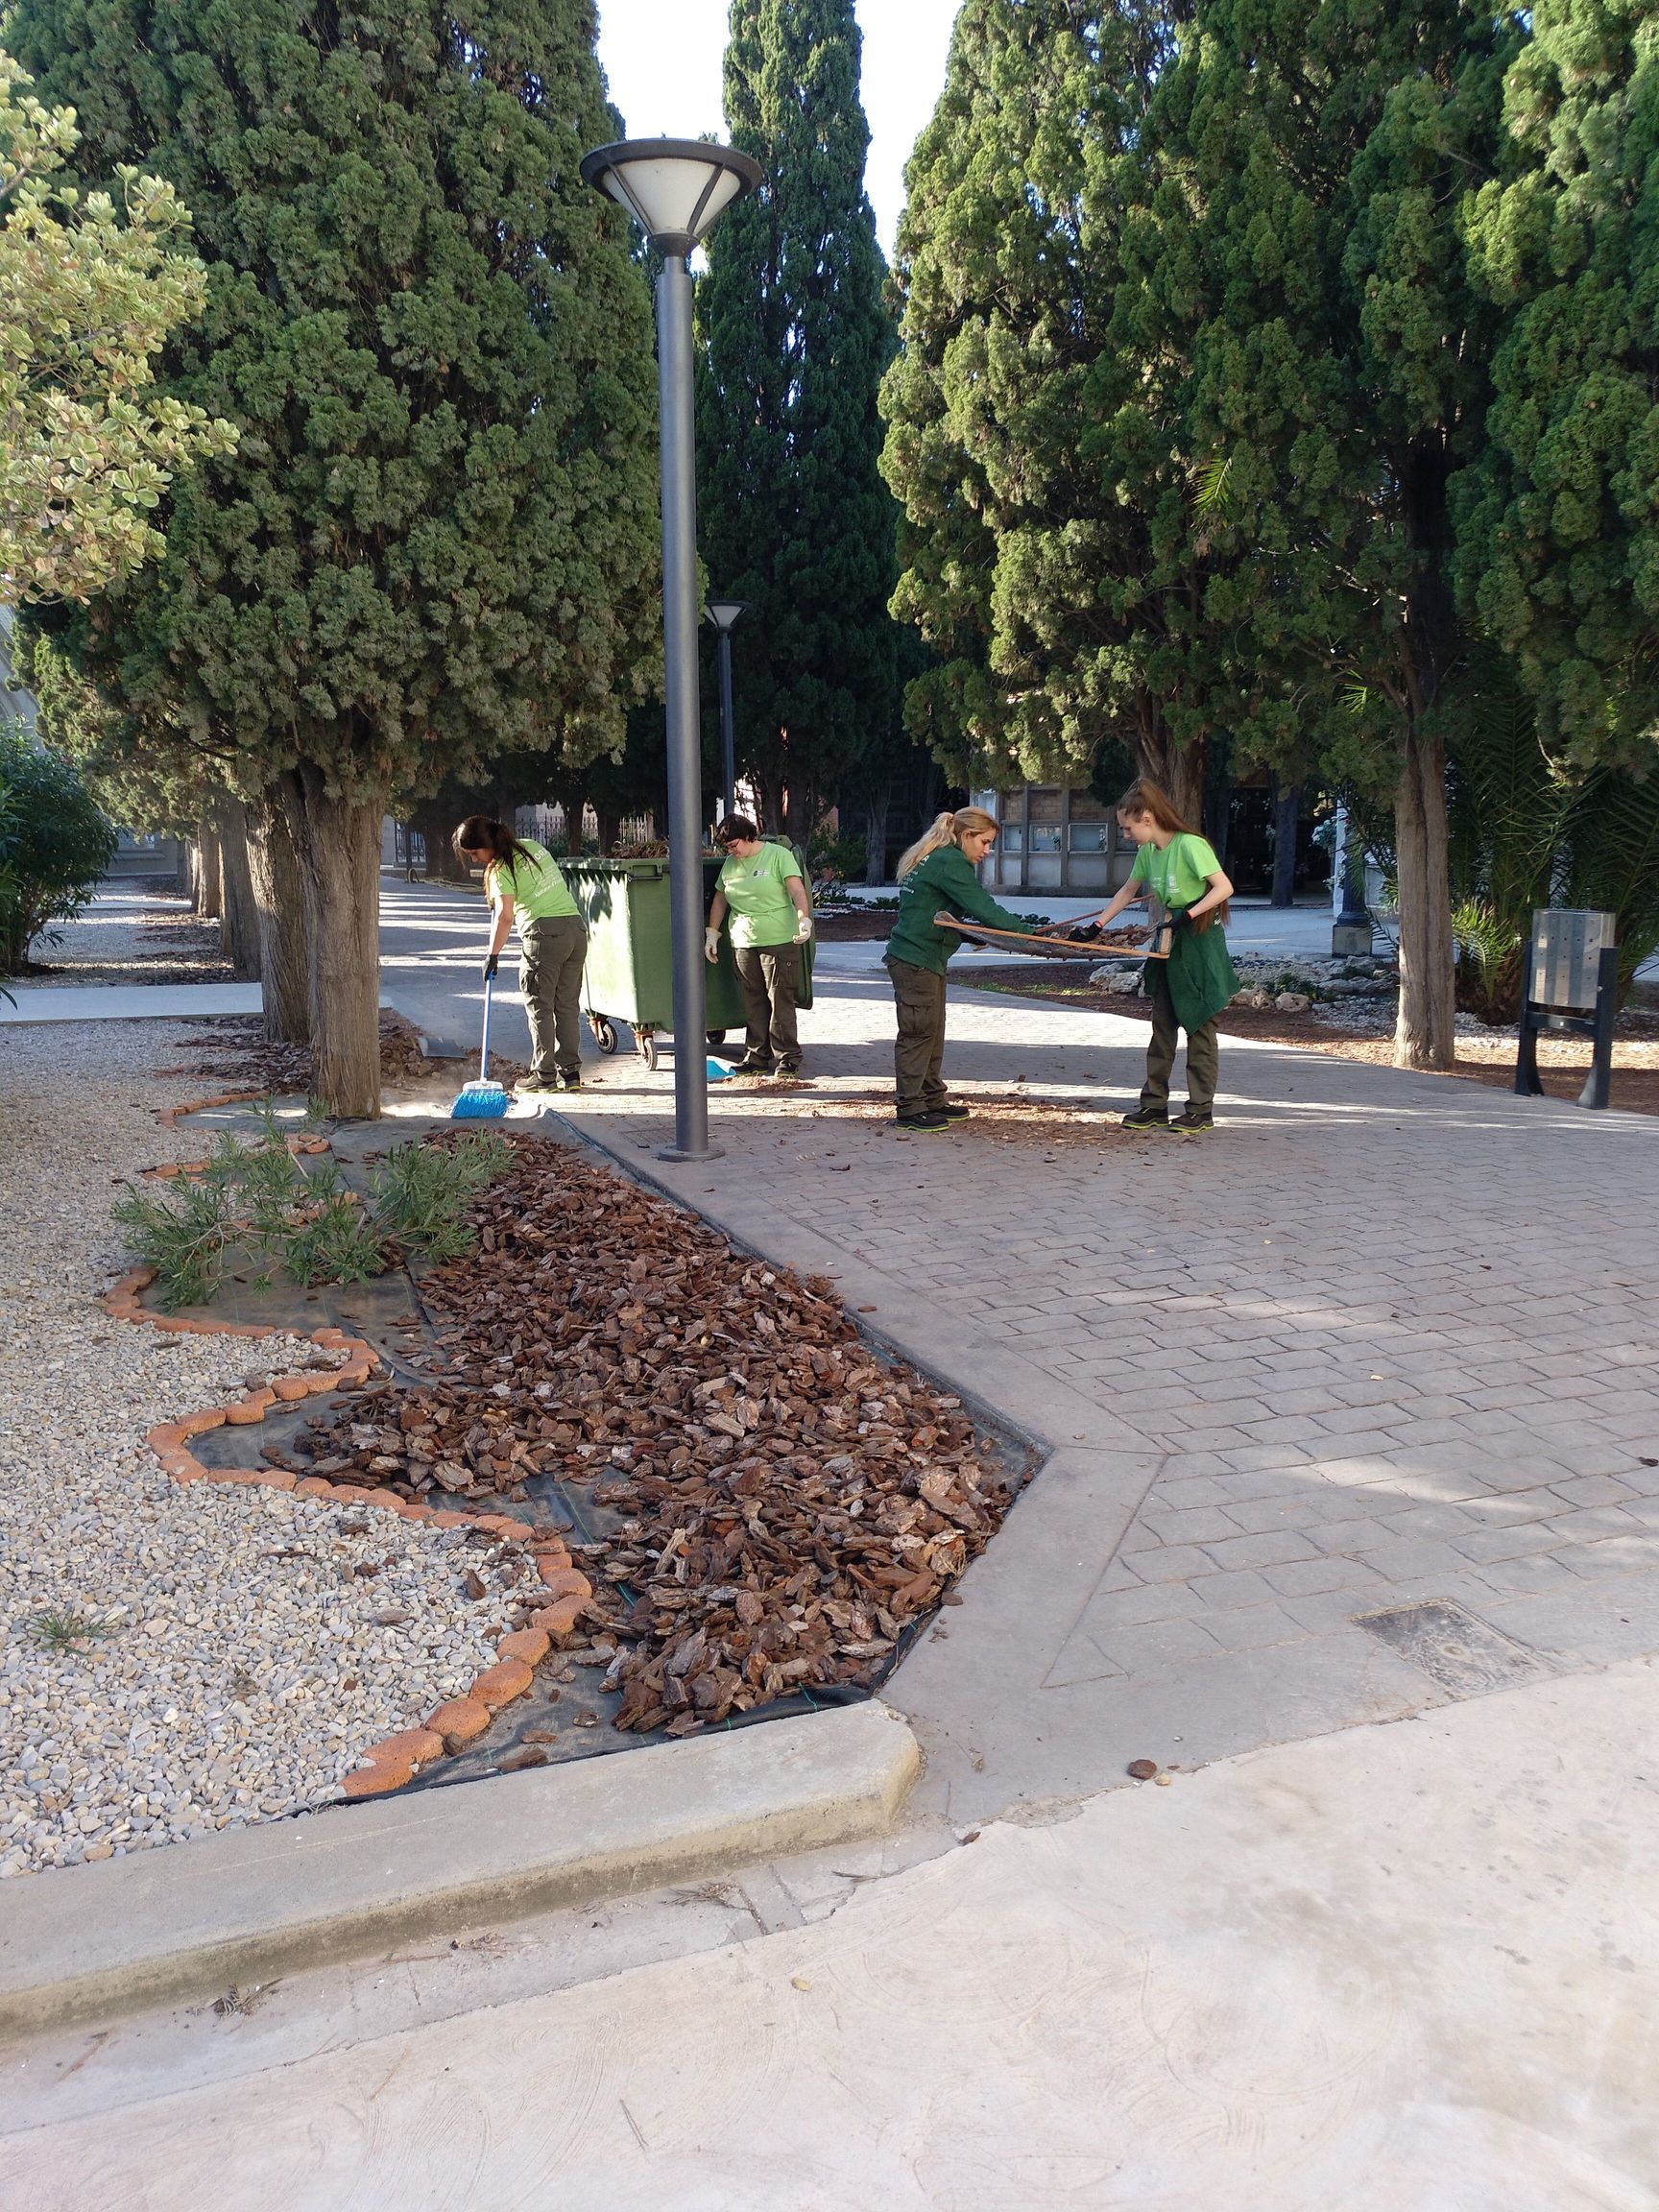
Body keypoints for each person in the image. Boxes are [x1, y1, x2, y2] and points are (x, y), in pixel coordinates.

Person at [1092, 778, 1238, 1134]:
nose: (1126, 835)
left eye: (1128, 828)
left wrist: (1188, 915)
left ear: (1147, 818)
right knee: (1162, 1025)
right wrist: (1096, 925)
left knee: (1200, 1025)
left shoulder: (1190, 845)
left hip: (1199, 940)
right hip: (1169, 938)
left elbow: (1224, 887)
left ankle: (1200, 1110)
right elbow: (1128, 890)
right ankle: (1154, 1105)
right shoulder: (1148, 853)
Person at [882, 806, 1037, 1132]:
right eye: (984, 842)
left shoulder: (937, 857)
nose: (987, 851)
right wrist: (1030, 935)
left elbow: (933, 913)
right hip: (915, 960)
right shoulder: (950, 862)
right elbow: (984, 907)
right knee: (918, 1033)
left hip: (924, 960)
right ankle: (910, 1108)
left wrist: (969, 934)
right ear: (966, 835)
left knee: (932, 1031)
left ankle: (931, 1098)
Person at [452, 814, 588, 1094]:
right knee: (566, 1006)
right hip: (575, 930)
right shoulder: (531, 846)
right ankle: (571, 1074)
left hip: (544, 937)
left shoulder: (501, 869)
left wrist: (492, 955)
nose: (474, 859)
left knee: (540, 1006)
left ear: (487, 845)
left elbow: (505, 917)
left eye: (474, 853)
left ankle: (544, 1076)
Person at [706, 817, 813, 1077]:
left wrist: (804, 919)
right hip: (743, 941)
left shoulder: (778, 856)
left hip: (778, 940)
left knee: (780, 999)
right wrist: (712, 933)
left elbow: (797, 891)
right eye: (727, 847)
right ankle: (756, 1057)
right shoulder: (731, 864)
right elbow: (721, 898)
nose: (731, 851)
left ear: (749, 836)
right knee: (753, 1001)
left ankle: (787, 1057)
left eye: (734, 845)